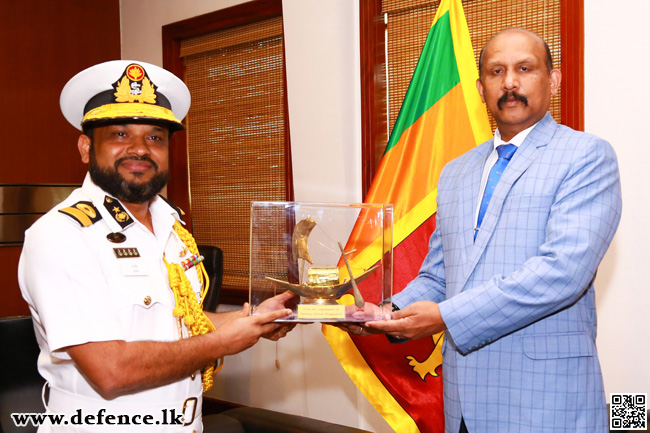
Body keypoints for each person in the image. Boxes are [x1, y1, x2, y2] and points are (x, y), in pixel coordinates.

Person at [345, 29, 622, 433]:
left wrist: (443, 316)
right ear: (480, 87)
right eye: (496, 72)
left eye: (524, 69)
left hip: (547, 404)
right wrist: (388, 313)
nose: (510, 82)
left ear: (554, 79)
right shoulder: (456, 172)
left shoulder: (586, 156)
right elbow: (441, 275)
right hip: (462, 406)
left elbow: (561, 273)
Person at [18, 60, 295, 432]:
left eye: (155, 137)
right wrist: (223, 342)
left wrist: (251, 321)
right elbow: (109, 371)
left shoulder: (170, 224)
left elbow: (174, 324)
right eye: (119, 135)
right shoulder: (62, 234)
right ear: (86, 148)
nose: (140, 149)